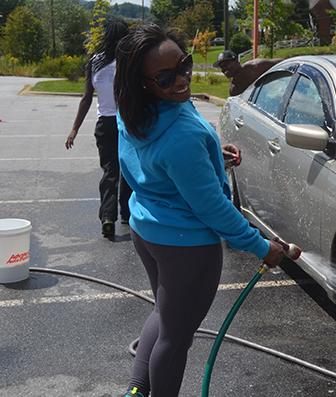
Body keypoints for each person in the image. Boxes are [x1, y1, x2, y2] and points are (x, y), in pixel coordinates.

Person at [114, 24, 286, 397]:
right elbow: (213, 208)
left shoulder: (135, 113)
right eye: (165, 76)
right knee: (175, 340)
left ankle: (135, 391)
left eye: (185, 65)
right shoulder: (181, 136)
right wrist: (261, 246)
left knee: (162, 314)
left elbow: (156, 164)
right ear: (143, 82)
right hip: (186, 248)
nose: (181, 80)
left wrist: (211, 157)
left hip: (148, 229)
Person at [66, 18, 132, 240]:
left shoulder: (94, 62)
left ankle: (107, 218)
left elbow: (86, 99)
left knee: (110, 171)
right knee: (129, 169)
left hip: (104, 123)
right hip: (128, 122)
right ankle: (127, 213)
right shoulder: (129, 62)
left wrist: (74, 129)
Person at [213, 50, 282, 96]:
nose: (223, 69)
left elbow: (284, 63)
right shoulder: (234, 89)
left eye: (226, 64)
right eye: (221, 67)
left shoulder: (256, 66)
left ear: (236, 61)